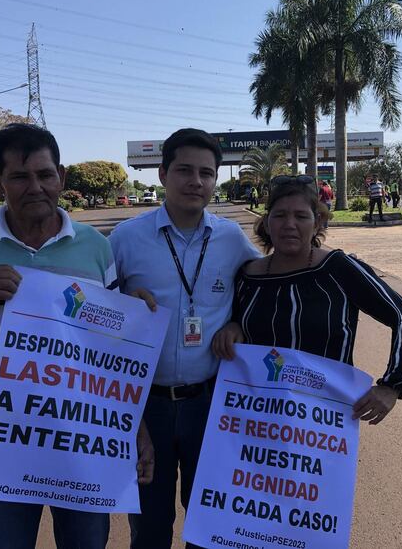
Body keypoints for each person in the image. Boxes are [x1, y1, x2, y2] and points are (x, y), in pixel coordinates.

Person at [0, 124, 153, 549]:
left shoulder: (94, 247)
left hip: (83, 450)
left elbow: (111, 357)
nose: (36, 188)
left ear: (61, 177)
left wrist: (136, 428)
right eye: (20, 177)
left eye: (45, 175)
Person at [108, 128, 261, 549]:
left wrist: (239, 326)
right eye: (185, 170)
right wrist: (121, 301)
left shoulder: (231, 239)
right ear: (162, 174)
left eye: (206, 173)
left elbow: (262, 289)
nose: (196, 181)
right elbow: (95, 310)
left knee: (209, 525)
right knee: (149, 526)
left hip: (210, 405)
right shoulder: (126, 239)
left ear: (215, 179)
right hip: (145, 408)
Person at [212, 177, 402, 426]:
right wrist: (234, 325)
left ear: (317, 224)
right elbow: (236, 323)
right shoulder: (247, 276)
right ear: (267, 224)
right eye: (279, 215)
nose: (289, 224)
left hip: (322, 425)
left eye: (301, 216)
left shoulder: (338, 269)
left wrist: (392, 386)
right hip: (256, 421)